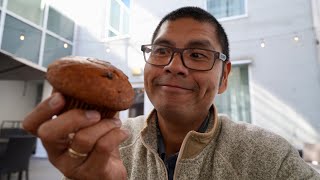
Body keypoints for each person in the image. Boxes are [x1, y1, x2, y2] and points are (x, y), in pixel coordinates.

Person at [23, 6, 320, 180]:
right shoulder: (107, 145)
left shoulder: (268, 156)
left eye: (198, 55)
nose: (174, 66)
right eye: (162, 50)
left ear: (225, 77)